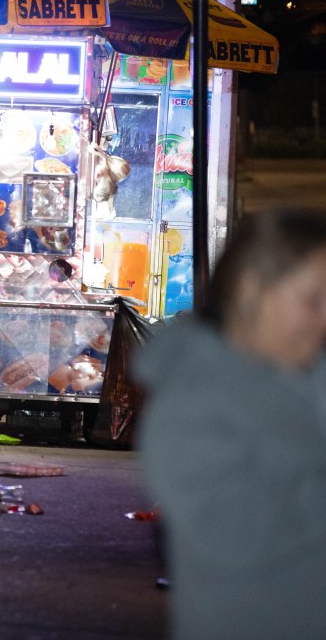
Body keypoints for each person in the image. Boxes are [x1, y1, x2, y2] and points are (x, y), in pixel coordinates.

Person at [134, 208, 326, 638]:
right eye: (313, 300)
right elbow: (239, 533)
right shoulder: (190, 405)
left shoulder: (308, 377)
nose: (325, 320)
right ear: (251, 289)